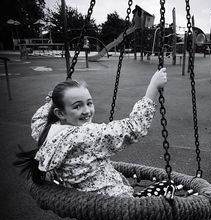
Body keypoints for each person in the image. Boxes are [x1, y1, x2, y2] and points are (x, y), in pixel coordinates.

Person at [15, 68, 167, 197]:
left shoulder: (45, 129)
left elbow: (40, 116)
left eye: (89, 103)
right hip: (116, 204)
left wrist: (60, 95)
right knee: (167, 187)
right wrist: (153, 86)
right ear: (60, 113)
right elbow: (134, 127)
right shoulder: (84, 135)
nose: (87, 111)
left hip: (88, 202)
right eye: (77, 106)